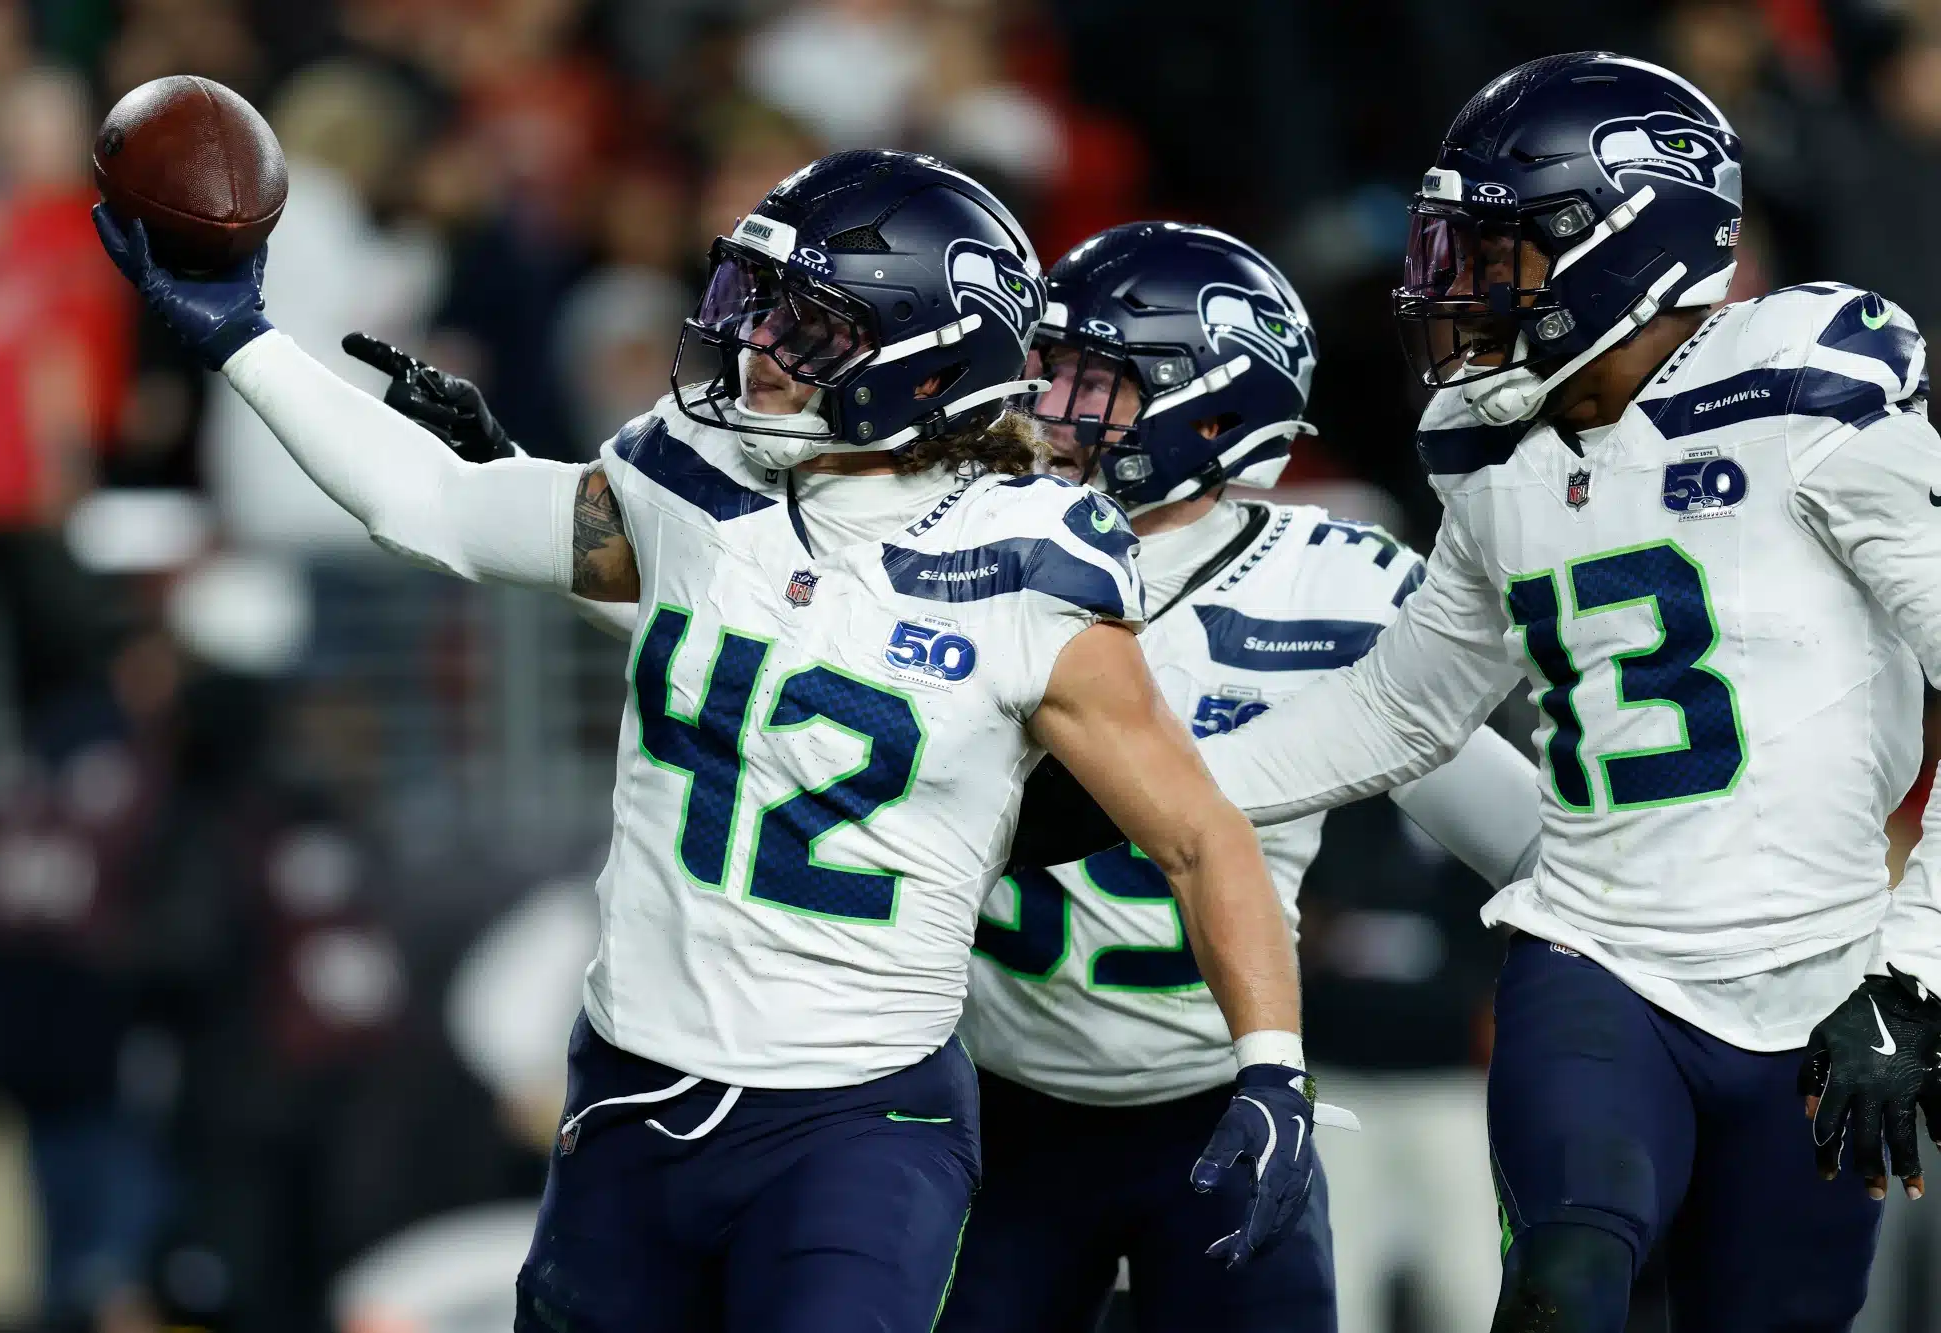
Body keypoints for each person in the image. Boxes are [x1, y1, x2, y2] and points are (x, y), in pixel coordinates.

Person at [92, 149, 1317, 1333]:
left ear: (925, 363)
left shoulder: (1031, 564)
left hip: (858, 1120)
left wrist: (1269, 1067)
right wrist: (244, 337)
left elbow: (1198, 834)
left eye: (810, 324)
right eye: (763, 303)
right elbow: (438, 507)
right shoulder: (693, 473)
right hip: (632, 1087)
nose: (758, 341)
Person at [1083, 53, 1941, 1333]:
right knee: (1561, 1283)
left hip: (1823, 969)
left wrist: (1915, 970)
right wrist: (1143, 794)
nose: (1456, 285)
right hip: (1591, 953)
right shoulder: (1496, 448)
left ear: (1626, 237)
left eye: (1496, 250)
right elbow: (1402, 706)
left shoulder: (1805, 403)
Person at [935, 221, 1539, 1333]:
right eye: (1045, 366)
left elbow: (1521, 836)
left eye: (1091, 379)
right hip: (990, 1095)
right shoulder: (953, 539)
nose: (1046, 404)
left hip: (1224, 1098)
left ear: (1209, 410)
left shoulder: (1331, 586)